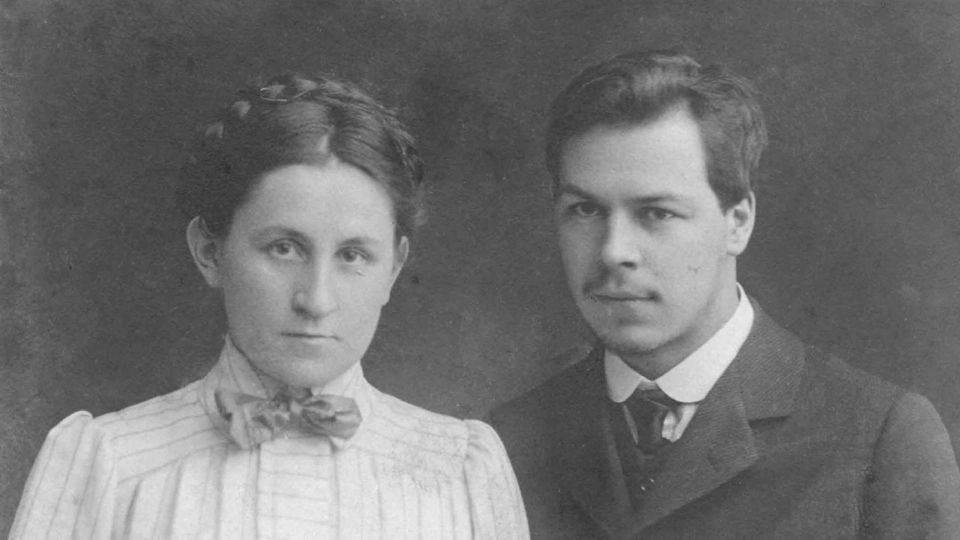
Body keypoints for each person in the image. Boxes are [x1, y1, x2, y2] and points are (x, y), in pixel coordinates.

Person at [11, 73, 528, 539]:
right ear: (210, 251)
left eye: (353, 256)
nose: (316, 300)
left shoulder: (459, 469)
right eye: (284, 248)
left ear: (393, 268)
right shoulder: (109, 464)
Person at [489, 50, 960, 539]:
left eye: (657, 213)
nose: (613, 252)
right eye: (586, 210)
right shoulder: (509, 439)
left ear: (738, 222)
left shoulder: (877, 436)